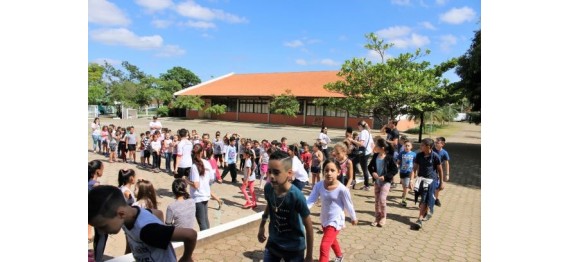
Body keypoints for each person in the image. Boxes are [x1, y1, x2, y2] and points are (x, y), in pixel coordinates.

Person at [88, 185, 197, 262]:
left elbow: (190, 235)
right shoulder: (130, 213)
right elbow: (158, 213)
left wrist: (186, 257)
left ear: (121, 214)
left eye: (102, 226)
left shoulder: (148, 231)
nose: (101, 231)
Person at [257, 150, 314, 262]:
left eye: (276, 172)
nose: (271, 176)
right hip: (273, 243)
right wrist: (262, 226)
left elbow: (309, 227)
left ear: (289, 173)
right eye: (269, 171)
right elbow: (270, 205)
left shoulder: (296, 196)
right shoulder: (268, 188)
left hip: (294, 248)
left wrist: (309, 256)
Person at [306, 159, 358, 262]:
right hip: (325, 219)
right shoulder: (319, 185)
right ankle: (339, 256)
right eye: (326, 170)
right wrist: (302, 209)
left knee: (324, 246)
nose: (329, 173)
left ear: (339, 172)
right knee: (332, 240)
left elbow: (349, 204)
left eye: (332, 170)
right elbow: (311, 199)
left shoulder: (342, 189)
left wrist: (353, 217)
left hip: (335, 220)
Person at [412, 138, 444, 230]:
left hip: (431, 181)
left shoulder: (435, 156)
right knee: (422, 199)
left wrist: (441, 182)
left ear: (428, 147)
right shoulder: (419, 155)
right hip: (420, 180)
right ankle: (426, 211)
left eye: (422, 145)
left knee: (425, 199)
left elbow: (440, 170)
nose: (420, 146)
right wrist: (411, 180)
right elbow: (414, 168)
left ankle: (419, 220)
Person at [368, 138, 399, 227]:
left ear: (382, 148)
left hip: (386, 182)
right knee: (377, 200)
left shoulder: (389, 157)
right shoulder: (375, 156)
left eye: (376, 145)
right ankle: (377, 218)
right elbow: (370, 167)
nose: (375, 146)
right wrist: (373, 172)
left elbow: (395, 170)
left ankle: (383, 217)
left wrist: (385, 176)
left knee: (382, 199)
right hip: (377, 182)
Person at [187, 144, 215, 231]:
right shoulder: (206, 162)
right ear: (202, 152)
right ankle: (209, 236)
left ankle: (206, 239)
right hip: (205, 193)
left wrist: (186, 181)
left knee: (201, 222)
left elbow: (196, 185)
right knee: (205, 219)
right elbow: (212, 178)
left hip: (197, 196)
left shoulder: (194, 166)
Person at [348, 120, 374, 191]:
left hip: (363, 153)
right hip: (367, 152)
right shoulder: (368, 132)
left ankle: (366, 185)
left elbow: (361, 144)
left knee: (364, 169)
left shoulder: (363, 132)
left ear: (360, 126)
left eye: (358, 126)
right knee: (353, 163)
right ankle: (354, 180)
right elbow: (372, 144)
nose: (358, 128)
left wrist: (352, 140)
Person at [396, 139, 416, 207]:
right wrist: (396, 166)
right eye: (405, 146)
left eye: (408, 146)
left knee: (406, 186)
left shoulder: (414, 154)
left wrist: (415, 172)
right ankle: (405, 192)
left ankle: (404, 200)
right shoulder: (401, 153)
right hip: (402, 172)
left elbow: (416, 164)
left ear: (411, 147)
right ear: (404, 146)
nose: (407, 147)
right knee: (404, 186)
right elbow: (398, 162)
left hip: (409, 172)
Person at [433, 137, 451, 207]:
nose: (435, 144)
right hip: (430, 171)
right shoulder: (432, 150)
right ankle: (433, 199)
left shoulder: (444, 153)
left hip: (438, 172)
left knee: (440, 187)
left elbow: (446, 163)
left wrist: (447, 174)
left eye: (437, 143)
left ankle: (435, 198)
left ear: (442, 144)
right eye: (435, 142)